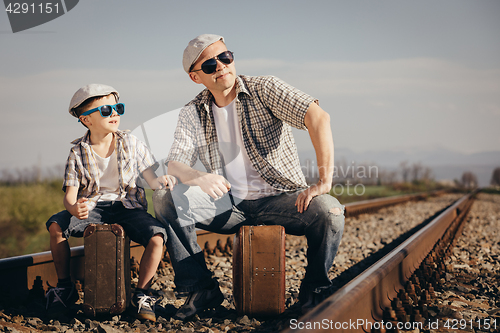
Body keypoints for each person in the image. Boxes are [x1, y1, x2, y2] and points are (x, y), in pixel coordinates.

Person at [153, 34, 344, 320]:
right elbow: (175, 164)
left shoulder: (263, 88)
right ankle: (200, 288)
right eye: (209, 65)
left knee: (330, 211)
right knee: (165, 197)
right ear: (196, 77)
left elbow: (318, 117)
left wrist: (324, 181)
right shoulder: (193, 111)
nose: (220, 66)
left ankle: (315, 289)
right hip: (230, 205)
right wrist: (198, 177)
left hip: (282, 199)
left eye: (225, 57)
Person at [45, 83, 177, 321]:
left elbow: (151, 179)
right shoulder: (78, 151)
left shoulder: (132, 143)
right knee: (56, 226)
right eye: (106, 110)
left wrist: (161, 181)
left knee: (157, 237)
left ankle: (142, 294)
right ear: (86, 120)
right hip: (93, 208)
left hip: (127, 207)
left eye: (118, 108)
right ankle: (64, 287)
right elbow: (70, 195)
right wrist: (74, 208)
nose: (114, 113)